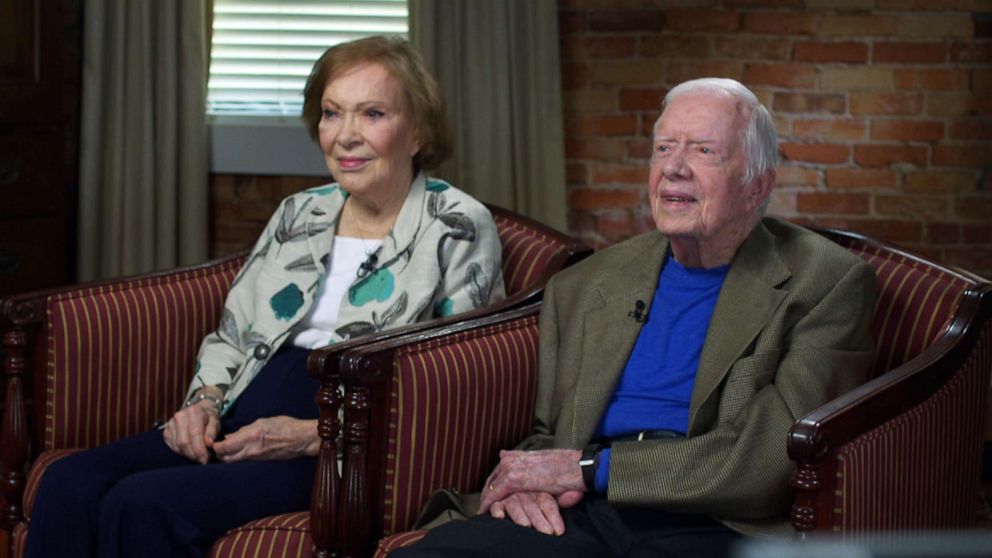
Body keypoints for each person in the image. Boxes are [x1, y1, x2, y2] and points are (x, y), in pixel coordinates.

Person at [25, 36, 505, 558]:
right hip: (244, 407)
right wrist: (203, 402)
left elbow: (459, 380)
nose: (345, 136)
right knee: (68, 482)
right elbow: (235, 328)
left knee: (142, 504)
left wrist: (313, 433)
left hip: (344, 446)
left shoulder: (456, 224)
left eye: (372, 114)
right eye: (331, 113)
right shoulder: (299, 212)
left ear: (417, 132)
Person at [391, 78, 878, 558]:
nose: (674, 169)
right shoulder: (585, 283)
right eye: (664, 148)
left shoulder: (825, 283)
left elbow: (766, 463)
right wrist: (531, 484)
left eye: (704, 151)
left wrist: (588, 468)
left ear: (757, 185)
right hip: (581, 509)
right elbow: (549, 430)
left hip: (711, 521)